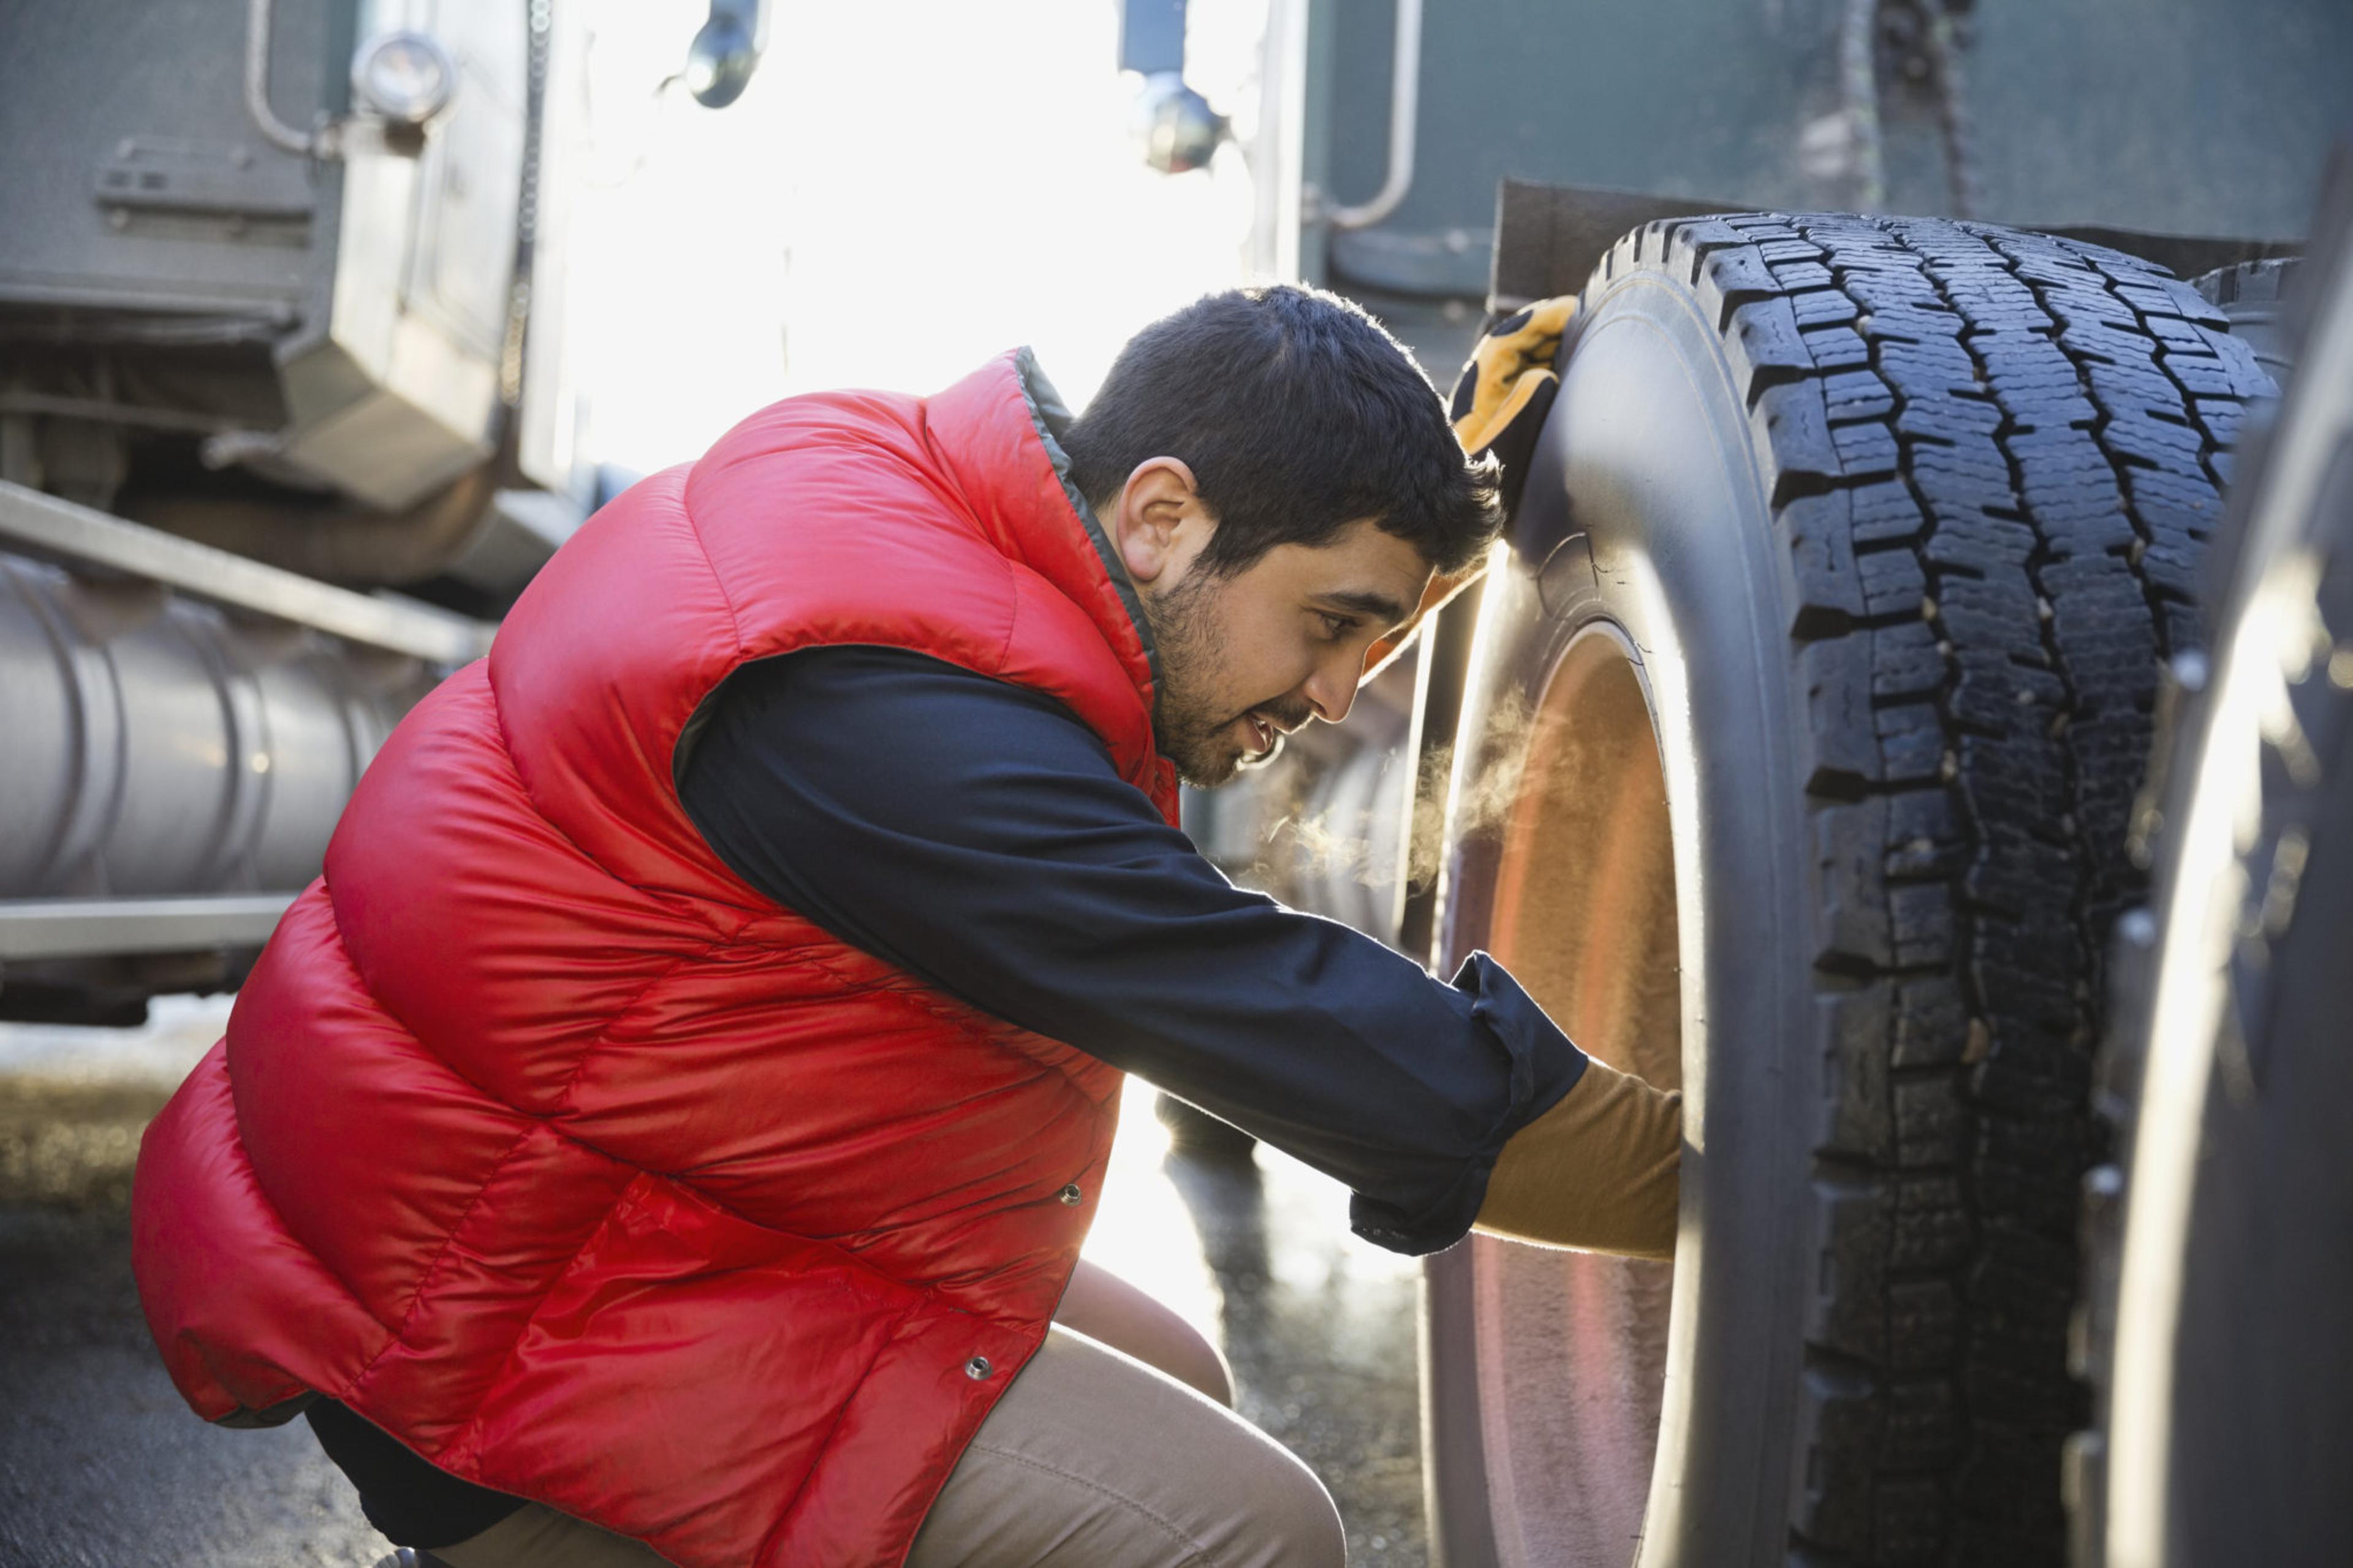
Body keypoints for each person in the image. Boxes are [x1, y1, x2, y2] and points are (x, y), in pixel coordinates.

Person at [129, 285, 1679, 1568]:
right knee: (1248, 1531)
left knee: (1184, 1376)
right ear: (1158, 515)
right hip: (490, 1305)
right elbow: (1259, 1003)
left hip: (576, 1191)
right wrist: (1732, 1183)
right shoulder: (884, 714)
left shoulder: (920, 520)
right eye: (1335, 622)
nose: (1342, 694)